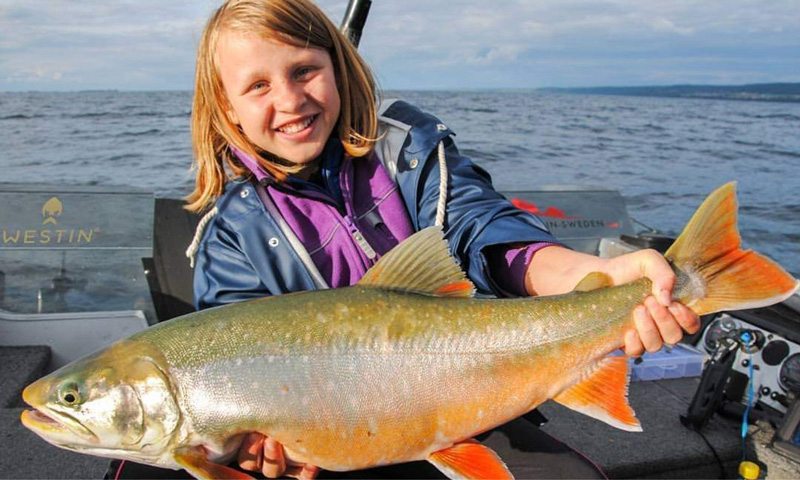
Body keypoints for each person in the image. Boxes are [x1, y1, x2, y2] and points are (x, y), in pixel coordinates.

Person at [115, 0, 700, 478]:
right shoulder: (229, 236)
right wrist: (247, 455)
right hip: (328, 447)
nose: (290, 101)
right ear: (227, 110)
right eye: (258, 86)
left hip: (470, 397)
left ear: (337, 67)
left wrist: (580, 279)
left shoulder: (409, 150)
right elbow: (234, 358)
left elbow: (482, 231)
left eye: (304, 70)